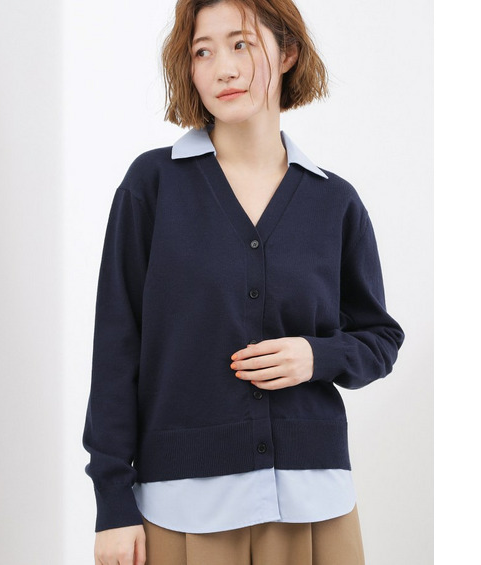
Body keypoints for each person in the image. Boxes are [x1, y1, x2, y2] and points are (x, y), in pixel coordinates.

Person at [82, 0, 405, 564]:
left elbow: (380, 338)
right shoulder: (152, 186)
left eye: (241, 44)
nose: (223, 69)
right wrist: (113, 502)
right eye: (202, 52)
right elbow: (116, 346)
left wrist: (317, 356)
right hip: (186, 504)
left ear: (288, 53)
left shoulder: (334, 201)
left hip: (314, 501)